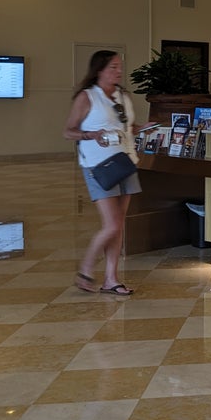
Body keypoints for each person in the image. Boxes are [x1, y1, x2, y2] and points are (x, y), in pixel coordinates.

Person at [63, 50, 146, 296]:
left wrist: (143, 128)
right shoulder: (87, 97)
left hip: (126, 162)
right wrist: (91, 135)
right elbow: (68, 131)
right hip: (99, 165)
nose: (118, 71)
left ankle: (111, 278)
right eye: (113, 67)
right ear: (99, 70)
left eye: (119, 66)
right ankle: (86, 269)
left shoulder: (123, 96)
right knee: (111, 224)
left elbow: (126, 126)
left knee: (119, 225)